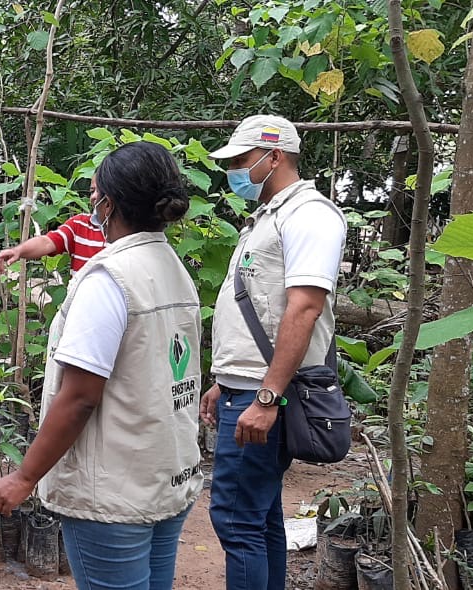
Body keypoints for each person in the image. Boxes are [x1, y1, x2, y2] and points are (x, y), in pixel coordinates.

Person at [0, 142, 202, 590]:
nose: (91, 202)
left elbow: (81, 397)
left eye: (94, 192)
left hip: (114, 497)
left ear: (109, 203)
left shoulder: (108, 278)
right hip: (165, 478)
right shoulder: (172, 267)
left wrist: (25, 477)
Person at [199, 115, 347, 590]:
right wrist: (227, 378)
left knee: (235, 517)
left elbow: (303, 308)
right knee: (258, 516)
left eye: (242, 161)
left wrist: (266, 397)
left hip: (266, 395)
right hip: (248, 386)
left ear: (275, 156)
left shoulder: (310, 215)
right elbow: (261, 309)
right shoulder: (270, 216)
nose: (235, 172)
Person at [0, 192, 105, 274]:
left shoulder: (121, 237)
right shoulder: (79, 224)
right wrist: (17, 251)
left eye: (100, 190)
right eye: (92, 190)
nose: (94, 196)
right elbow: (47, 242)